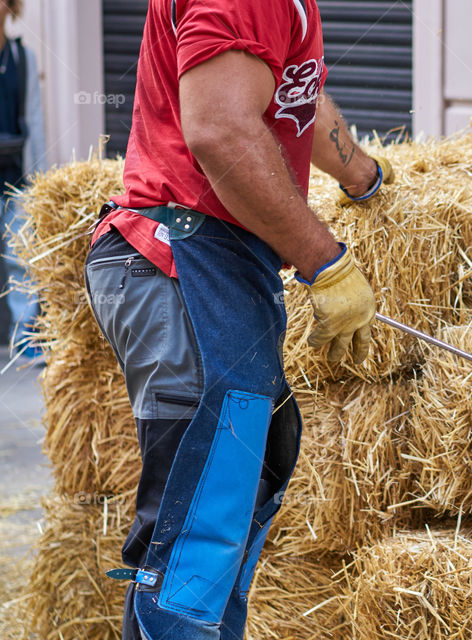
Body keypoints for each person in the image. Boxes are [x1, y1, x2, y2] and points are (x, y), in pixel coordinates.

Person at [83, 1, 389, 638]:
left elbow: (287, 99)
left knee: (251, 469)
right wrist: (324, 263)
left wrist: (360, 173)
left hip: (214, 264)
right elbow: (221, 130)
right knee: (201, 522)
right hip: (183, 255)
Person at [0, 0, 46, 359]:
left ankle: (24, 338)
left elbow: (32, 117)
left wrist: (39, 181)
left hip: (15, 173)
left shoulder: (21, 58)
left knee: (20, 257)